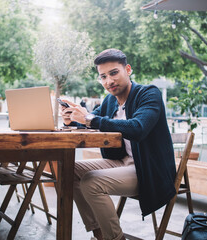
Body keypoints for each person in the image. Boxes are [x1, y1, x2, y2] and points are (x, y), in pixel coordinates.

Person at [60, 49, 176, 240]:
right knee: (67, 170)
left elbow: (138, 128)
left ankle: (115, 238)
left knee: (91, 182)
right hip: (121, 163)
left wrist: (90, 118)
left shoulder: (148, 94)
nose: (109, 81)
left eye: (114, 73)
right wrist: (70, 119)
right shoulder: (109, 101)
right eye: (103, 77)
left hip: (148, 170)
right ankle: (99, 233)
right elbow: (90, 120)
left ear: (127, 69)